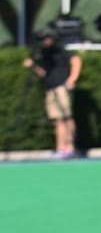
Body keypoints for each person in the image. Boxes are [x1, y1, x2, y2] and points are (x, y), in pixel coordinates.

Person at [22, 28, 83, 159]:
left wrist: (72, 79)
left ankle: (70, 147)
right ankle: (60, 148)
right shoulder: (45, 55)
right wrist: (33, 66)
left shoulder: (61, 51)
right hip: (51, 88)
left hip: (62, 88)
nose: (46, 41)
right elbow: (43, 74)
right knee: (58, 120)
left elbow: (76, 60)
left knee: (66, 117)